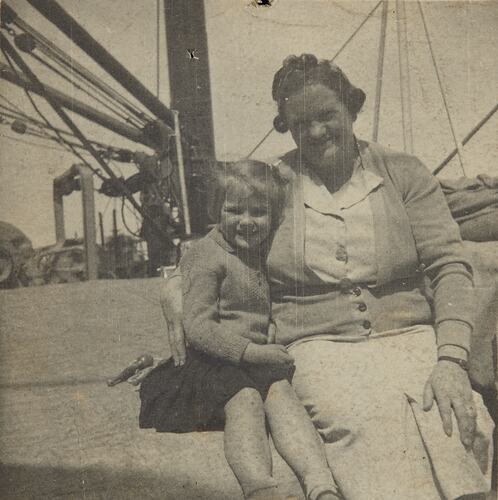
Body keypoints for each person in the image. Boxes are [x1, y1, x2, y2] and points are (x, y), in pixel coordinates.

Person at [160, 55, 494, 499]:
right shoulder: (274, 182)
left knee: (456, 421)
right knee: (366, 424)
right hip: (318, 344)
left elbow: (448, 265)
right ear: (287, 126)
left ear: (352, 109)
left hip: (412, 335)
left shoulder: (403, 172)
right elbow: (221, 240)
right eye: (300, 123)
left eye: (327, 116)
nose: (315, 132)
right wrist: (174, 283)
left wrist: (451, 359)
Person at [140, 160, 339, 500]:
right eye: (234, 211)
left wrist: (271, 331)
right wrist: (252, 351)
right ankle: (260, 487)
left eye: (258, 213)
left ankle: (320, 484)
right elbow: (197, 326)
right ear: (217, 210)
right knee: (246, 400)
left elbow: (265, 304)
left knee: (282, 395)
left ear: (274, 216)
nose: (247, 222)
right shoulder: (207, 255)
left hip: (247, 360)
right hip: (209, 364)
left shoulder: (260, 253)